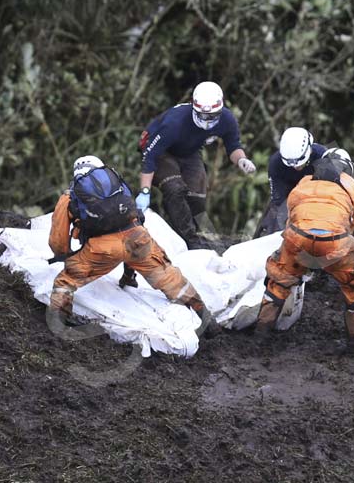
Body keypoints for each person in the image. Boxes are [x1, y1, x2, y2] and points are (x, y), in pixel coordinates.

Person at [49, 155, 216, 332]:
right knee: (169, 277)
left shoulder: (70, 196)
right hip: (138, 239)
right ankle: (205, 316)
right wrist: (129, 276)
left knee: (65, 281)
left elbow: (57, 238)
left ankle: (58, 323)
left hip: (102, 249)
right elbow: (134, 219)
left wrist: (64, 255)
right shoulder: (117, 185)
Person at [255, 148, 354, 354]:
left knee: (278, 281)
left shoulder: (304, 182)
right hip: (336, 241)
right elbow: (351, 226)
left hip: (297, 238)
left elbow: (291, 216)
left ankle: (260, 338)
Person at [136, 81, 255, 250]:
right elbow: (150, 156)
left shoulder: (227, 120)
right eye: (203, 116)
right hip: (163, 152)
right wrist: (145, 191)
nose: (208, 121)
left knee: (197, 197)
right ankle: (189, 239)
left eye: (213, 116)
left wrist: (242, 160)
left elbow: (233, 145)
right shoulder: (174, 123)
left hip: (190, 152)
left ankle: (201, 235)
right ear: (194, 107)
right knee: (175, 188)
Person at [255, 127, 327, 238]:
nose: (296, 166)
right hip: (288, 190)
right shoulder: (276, 163)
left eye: (299, 162)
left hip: (316, 193)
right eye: (290, 163)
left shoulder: (323, 156)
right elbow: (278, 199)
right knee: (275, 219)